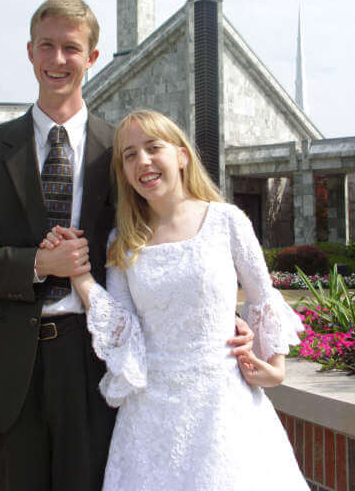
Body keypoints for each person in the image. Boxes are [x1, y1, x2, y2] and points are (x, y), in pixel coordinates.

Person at [0, 0, 254, 491]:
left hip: (96, 365)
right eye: (47, 46)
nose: (58, 60)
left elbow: (170, 239)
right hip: (11, 373)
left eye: (71, 48)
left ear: (92, 57)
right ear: (29, 52)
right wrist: (38, 263)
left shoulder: (123, 153)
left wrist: (218, 315)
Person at [42, 109, 309, 491]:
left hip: (224, 409)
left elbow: (263, 296)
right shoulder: (122, 241)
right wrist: (80, 275)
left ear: (182, 156)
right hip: (150, 417)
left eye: (153, 148)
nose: (143, 162)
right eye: (129, 155)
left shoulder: (227, 221)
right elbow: (123, 325)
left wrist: (275, 366)